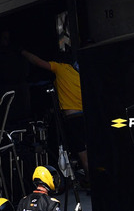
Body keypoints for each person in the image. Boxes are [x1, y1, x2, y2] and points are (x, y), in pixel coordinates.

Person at [20, 49, 89, 180]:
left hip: (73, 117)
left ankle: (92, 184)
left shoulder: (60, 68)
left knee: (83, 154)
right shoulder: (78, 72)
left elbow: (39, 62)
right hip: (86, 115)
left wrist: (23, 52)